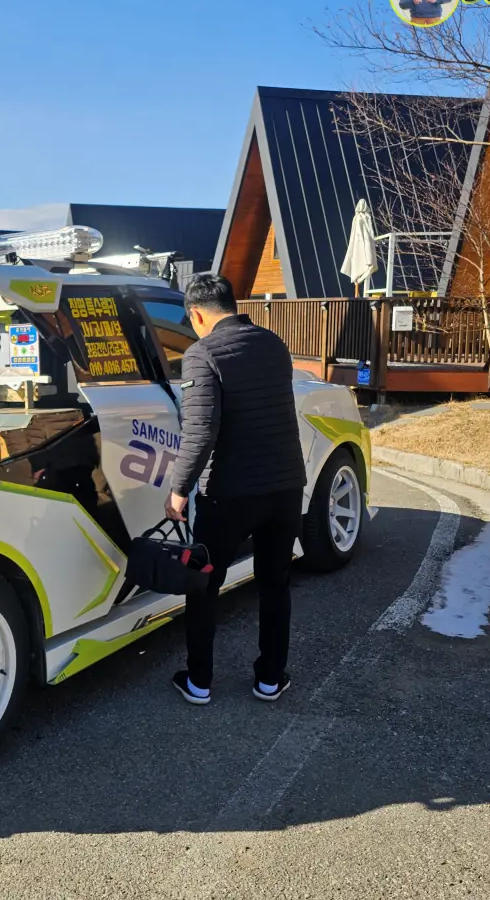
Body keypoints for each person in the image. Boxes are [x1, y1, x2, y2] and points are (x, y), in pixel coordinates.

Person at [164, 274, 305, 705]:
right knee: (275, 584)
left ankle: (199, 682)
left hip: (228, 492)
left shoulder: (201, 354)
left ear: (196, 314)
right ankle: (270, 679)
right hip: (285, 487)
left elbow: (200, 431)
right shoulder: (274, 344)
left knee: (204, 584)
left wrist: (178, 489)